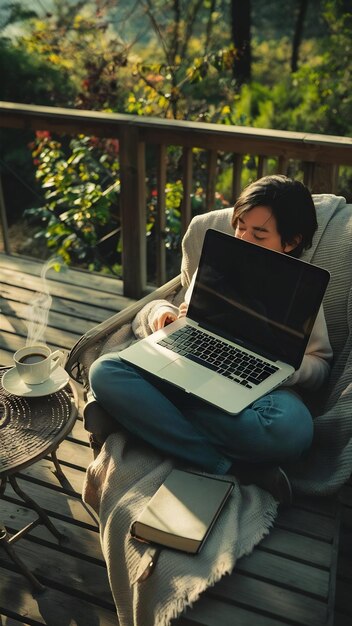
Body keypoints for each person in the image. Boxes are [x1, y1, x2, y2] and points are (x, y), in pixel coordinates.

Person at [89, 175, 333, 504]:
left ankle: (145, 418)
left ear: (290, 242)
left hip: (257, 396)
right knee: (105, 371)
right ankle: (229, 465)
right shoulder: (217, 264)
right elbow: (175, 307)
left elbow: (320, 367)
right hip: (190, 367)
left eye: (259, 234)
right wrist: (165, 316)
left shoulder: (302, 295)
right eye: (240, 227)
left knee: (294, 431)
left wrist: (285, 371)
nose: (243, 239)